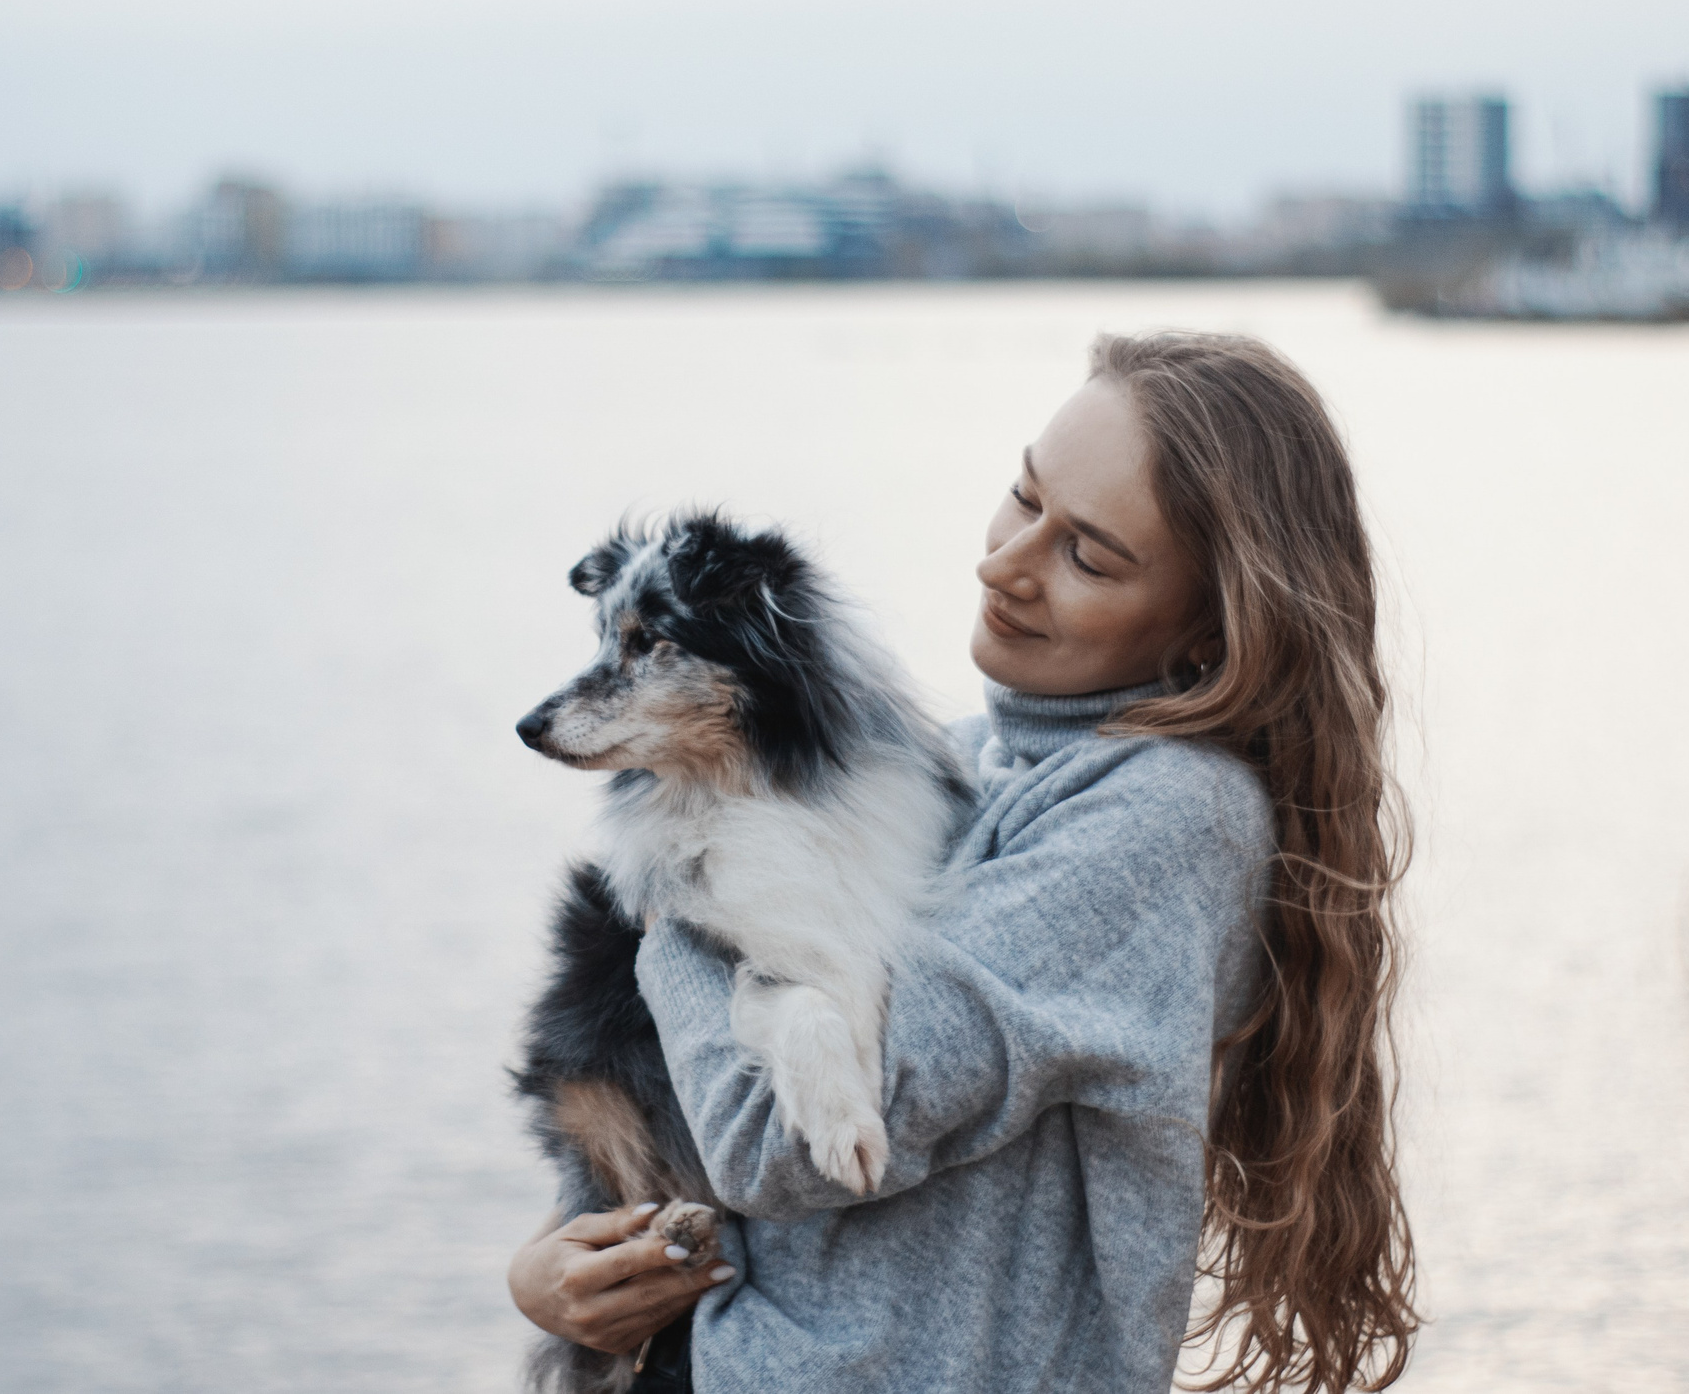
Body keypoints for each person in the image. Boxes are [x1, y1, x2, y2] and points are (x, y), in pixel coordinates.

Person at [508, 331, 1417, 1393]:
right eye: (1024, 498)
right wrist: (549, 1269)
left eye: (1086, 556)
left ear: (1210, 633)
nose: (1003, 564)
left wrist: (669, 915)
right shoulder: (957, 764)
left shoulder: (1165, 820)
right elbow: (679, 1113)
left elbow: (778, 1146)